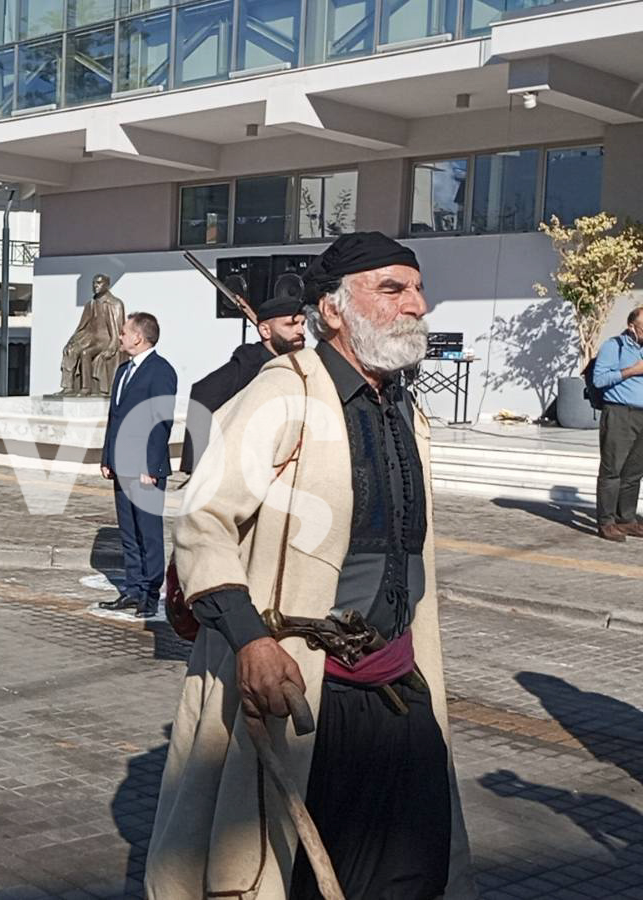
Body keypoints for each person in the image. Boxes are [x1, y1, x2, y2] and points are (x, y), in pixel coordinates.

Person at [148, 232, 472, 899]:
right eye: (392, 289)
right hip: (306, 689)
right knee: (296, 872)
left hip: (399, 684)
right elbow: (203, 520)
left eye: (417, 289)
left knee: (414, 868)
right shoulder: (284, 392)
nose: (416, 304)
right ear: (333, 310)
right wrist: (252, 641)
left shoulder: (403, 407)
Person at [180, 275, 308, 473]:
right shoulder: (249, 364)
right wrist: (196, 465)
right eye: (290, 325)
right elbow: (202, 393)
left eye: (302, 324)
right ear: (265, 331)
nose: (300, 331)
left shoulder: (303, 363)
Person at [97, 312, 177, 618]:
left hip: (145, 470)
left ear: (139, 337)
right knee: (128, 533)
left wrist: (151, 467)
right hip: (121, 466)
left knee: (149, 534)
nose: (120, 337)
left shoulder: (161, 371)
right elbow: (114, 418)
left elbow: (161, 422)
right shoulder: (123, 370)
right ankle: (132, 589)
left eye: (124, 332)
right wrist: (107, 458)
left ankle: (150, 594)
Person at [592, 305, 643, 542]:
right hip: (620, 413)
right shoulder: (614, 346)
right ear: (632, 326)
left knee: (634, 471)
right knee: (612, 470)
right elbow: (599, 379)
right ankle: (606, 522)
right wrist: (633, 370)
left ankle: (627, 519)